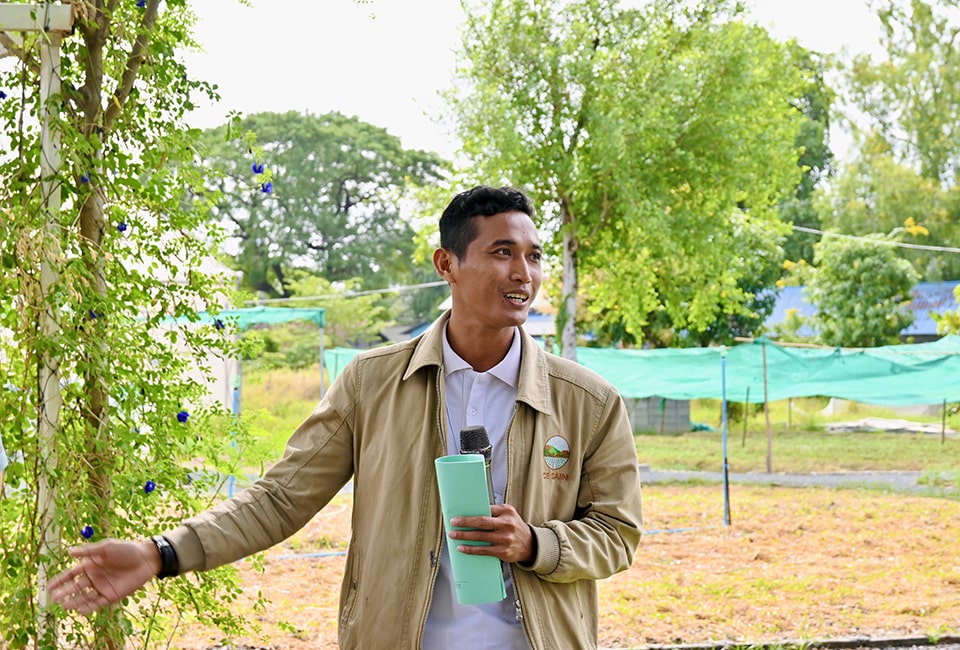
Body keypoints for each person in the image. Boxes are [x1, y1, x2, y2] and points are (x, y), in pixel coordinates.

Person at [48, 185, 643, 649]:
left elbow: (618, 533)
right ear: (447, 264)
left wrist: (535, 542)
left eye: (534, 257)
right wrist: (162, 553)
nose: (524, 274)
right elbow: (281, 498)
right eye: (502, 252)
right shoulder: (371, 383)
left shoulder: (587, 401)